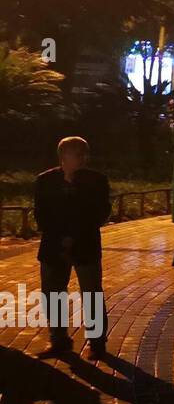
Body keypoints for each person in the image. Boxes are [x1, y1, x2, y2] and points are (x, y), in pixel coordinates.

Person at [33, 137, 112, 360]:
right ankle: (58, 340)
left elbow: (100, 212)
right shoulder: (46, 180)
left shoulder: (96, 180)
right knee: (52, 294)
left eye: (84, 154)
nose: (82, 158)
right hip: (53, 246)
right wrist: (61, 236)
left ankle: (97, 342)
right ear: (63, 155)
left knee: (91, 293)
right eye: (77, 154)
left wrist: (73, 236)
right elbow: (42, 214)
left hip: (85, 244)